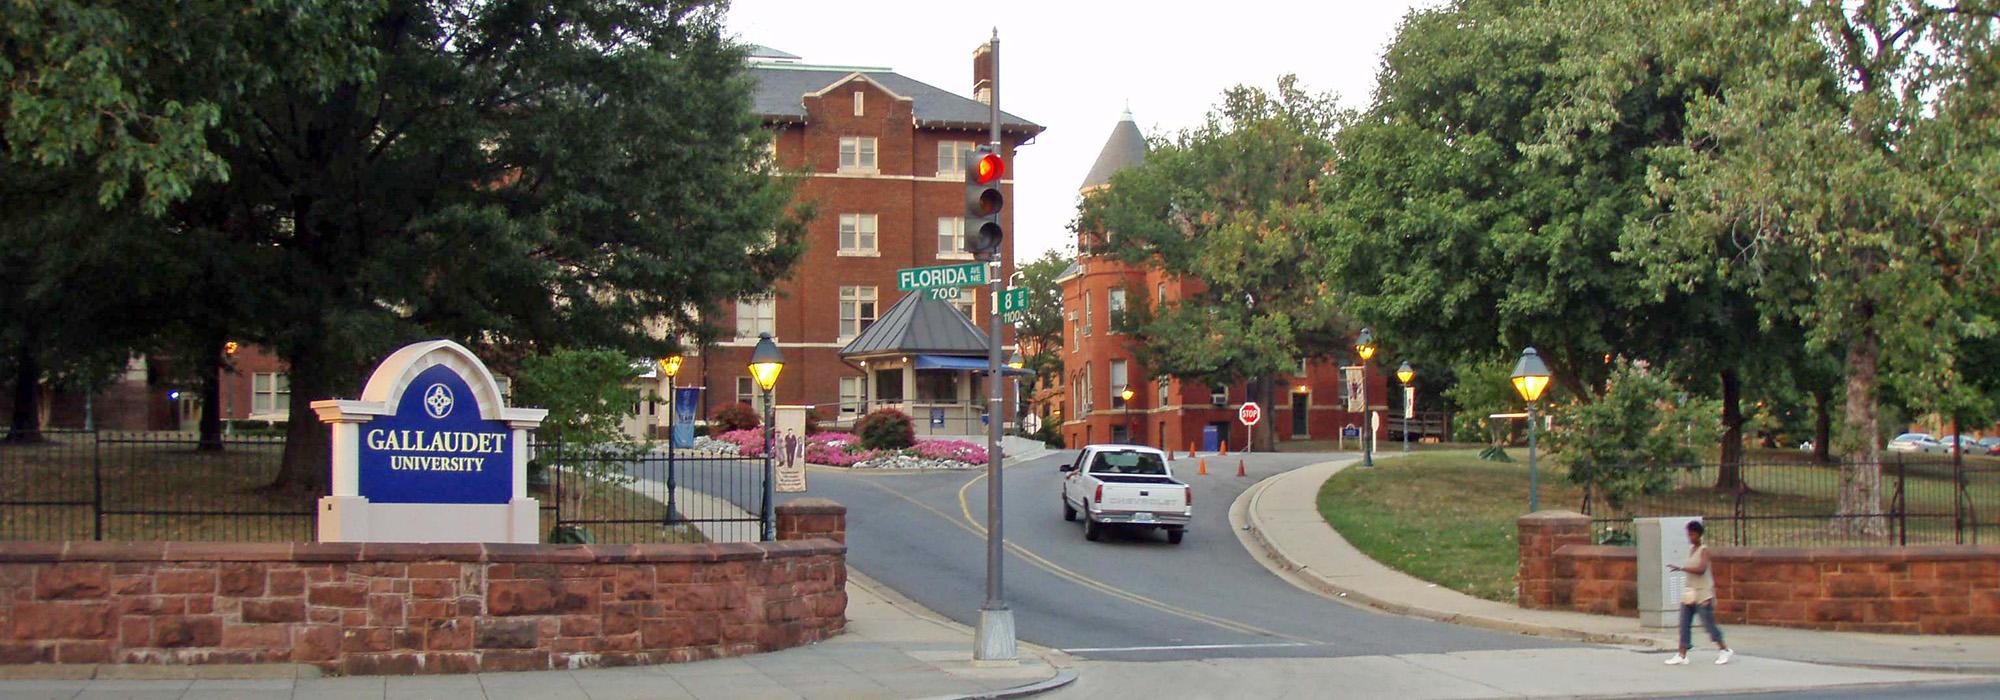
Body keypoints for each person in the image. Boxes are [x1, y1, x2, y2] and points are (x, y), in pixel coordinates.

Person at [1665, 520, 1733, 666]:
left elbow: (1701, 569)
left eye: (1692, 534)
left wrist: (1682, 568)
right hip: (1689, 593)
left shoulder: (1704, 550)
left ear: (1698, 534)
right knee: (1684, 624)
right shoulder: (1692, 550)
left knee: (1708, 624)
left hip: (1703, 594)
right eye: (1688, 534)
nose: (1689, 537)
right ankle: (1682, 654)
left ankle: (1724, 649)